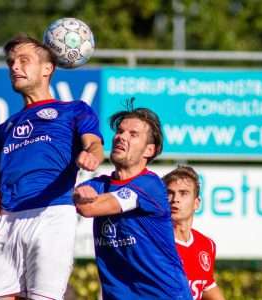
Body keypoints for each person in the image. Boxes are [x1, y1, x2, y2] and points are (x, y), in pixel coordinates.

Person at [0, 35, 104, 300]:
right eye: (11, 63)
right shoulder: (3, 129)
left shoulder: (74, 110)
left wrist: (91, 155)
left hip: (52, 214)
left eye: (23, 61)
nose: (14, 67)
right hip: (6, 221)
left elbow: (95, 145)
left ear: (47, 68)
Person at [74, 103, 192, 300]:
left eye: (133, 134)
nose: (121, 137)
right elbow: (77, 198)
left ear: (149, 150)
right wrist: (77, 193)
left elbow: (90, 207)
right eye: (120, 131)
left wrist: (81, 198)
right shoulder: (100, 184)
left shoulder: (150, 185)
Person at [163, 166, 225, 300]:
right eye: (169, 193)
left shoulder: (207, 245)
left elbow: (206, 286)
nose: (175, 199)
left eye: (183, 193)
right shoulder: (152, 242)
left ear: (196, 203)